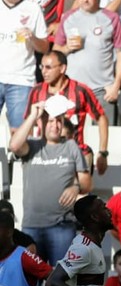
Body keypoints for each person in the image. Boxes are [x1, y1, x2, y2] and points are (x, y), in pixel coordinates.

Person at [11, 102, 90, 264]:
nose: (56, 125)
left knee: (60, 283)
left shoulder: (71, 147)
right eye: (51, 121)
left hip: (62, 226)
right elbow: (14, 146)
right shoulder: (32, 146)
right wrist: (33, 115)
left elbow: (87, 184)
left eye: (59, 120)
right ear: (41, 123)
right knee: (30, 281)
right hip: (31, 227)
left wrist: (76, 187)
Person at [26, 50, 109, 176]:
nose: (43, 71)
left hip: (74, 152)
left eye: (48, 67)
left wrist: (103, 152)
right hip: (45, 153)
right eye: (41, 67)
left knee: (86, 154)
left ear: (62, 68)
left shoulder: (81, 90)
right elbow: (28, 122)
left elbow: (101, 118)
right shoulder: (36, 91)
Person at [53, 0, 121, 111]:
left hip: (103, 91)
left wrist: (116, 85)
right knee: (71, 131)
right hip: (72, 89)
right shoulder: (68, 18)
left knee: (104, 131)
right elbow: (56, 52)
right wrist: (67, 48)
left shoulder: (111, 18)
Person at [0, 0, 47, 130]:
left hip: (21, 79)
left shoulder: (32, 9)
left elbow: (44, 48)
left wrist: (32, 37)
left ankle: (17, 157)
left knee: (18, 131)